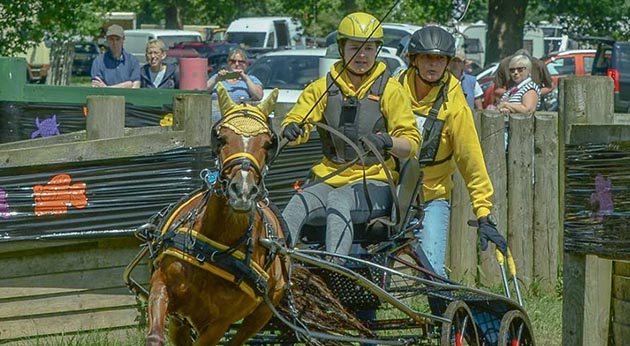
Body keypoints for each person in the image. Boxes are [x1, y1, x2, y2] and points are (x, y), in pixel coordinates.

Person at [280, 11, 420, 259]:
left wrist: (386, 141)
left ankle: (335, 268)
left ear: (377, 50)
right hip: (329, 178)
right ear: (341, 49)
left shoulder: (391, 90)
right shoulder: (321, 88)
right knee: (297, 203)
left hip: (376, 183)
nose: (362, 56)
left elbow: (411, 144)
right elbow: (298, 120)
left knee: (339, 200)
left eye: (369, 49)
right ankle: (279, 266)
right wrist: (292, 128)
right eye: (355, 48)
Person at [395, 25, 507, 279]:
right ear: (414, 60)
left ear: (447, 62)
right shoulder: (393, 88)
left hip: (431, 195)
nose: (433, 64)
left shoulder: (455, 102)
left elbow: (470, 159)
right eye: (427, 57)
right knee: (368, 265)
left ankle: (438, 305)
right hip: (390, 192)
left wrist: (483, 211)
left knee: (432, 271)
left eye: (440, 59)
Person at [207, 48, 263, 122]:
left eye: (241, 62)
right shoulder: (217, 77)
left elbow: (258, 96)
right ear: (228, 62)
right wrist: (217, 79)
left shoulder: (251, 79)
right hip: (217, 122)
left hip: (241, 122)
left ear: (246, 64)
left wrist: (245, 79)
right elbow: (203, 92)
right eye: (233, 61)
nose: (236, 64)